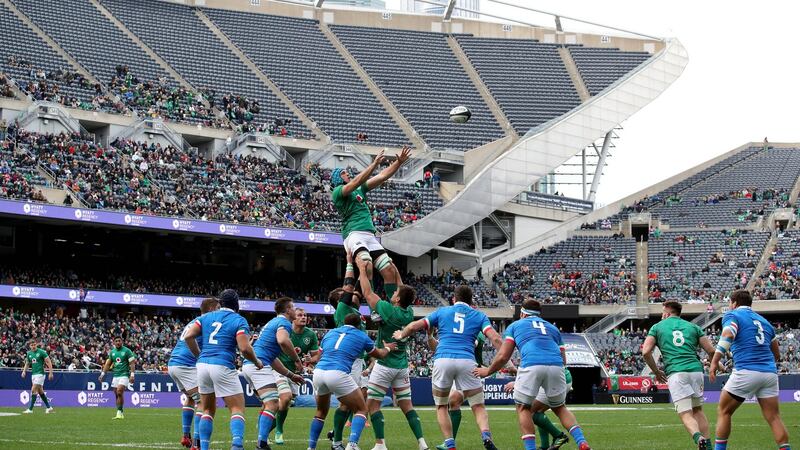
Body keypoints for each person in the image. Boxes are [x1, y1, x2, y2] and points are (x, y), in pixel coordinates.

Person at [394, 285, 503, 450]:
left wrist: (401, 335)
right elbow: (495, 338)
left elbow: (413, 326)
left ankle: (450, 444)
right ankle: (485, 434)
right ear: (471, 300)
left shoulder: (442, 312)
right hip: (467, 361)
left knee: (441, 406)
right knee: (478, 405)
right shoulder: (479, 316)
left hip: (443, 359)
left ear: (454, 299)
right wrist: (504, 355)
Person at [475, 299, 591, 450]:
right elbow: (563, 359)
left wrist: (488, 370)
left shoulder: (515, 325)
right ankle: (582, 442)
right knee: (560, 408)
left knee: (524, 408)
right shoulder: (552, 328)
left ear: (522, 313)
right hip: (557, 366)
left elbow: (503, 356)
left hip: (532, 364)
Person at [355, 257, 428, 450]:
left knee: (372, 406)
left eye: (395, 293)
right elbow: (403, 289)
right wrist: (395, 270)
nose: (394, 292)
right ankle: (422, 443)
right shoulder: (409, 313)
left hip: (385, 364)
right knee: (407, 407)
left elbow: (367, 292)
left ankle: (380, 444)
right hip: (402, 366)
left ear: (396, 299)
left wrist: (362, 270)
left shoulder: (388, 310)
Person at [709, 290, 791, 450]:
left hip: (746, 370)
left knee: (724, 411)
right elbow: (777, 353)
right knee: (774, 417)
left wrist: (714, 361)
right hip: (769, 373)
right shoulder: (764, 322)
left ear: (733, 303)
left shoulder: (733, 315)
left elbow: (727, 335)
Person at [182, 289, 264, 450]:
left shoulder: (205, 317)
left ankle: (204, 448)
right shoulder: (239, 320)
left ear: (221, 303)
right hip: (223, 364)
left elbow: (188, 336)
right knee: (237, 408)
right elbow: (244, 349)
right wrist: (256, 361)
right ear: (236, 304)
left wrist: (199, 355)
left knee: (207, 409)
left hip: (203, 365)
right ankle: (237, 446)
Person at [330, 146, 411, 303]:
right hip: (353, 234)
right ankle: (373, 305)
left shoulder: (359, 190)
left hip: (369, 235)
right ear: (337, 179)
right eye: (343, 173)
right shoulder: (338, 191)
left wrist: (398, 163)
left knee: (388, 269)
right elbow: (356, 181)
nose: (347, 173)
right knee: (366, 263)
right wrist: (373, 164)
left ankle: (394, 305)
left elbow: (381, 176)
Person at [307, 313, 397, 450]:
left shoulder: (330, 333)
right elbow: (379, 355)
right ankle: (352, 445)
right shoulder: (361, 336)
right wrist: (389, 347)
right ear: (359, 325)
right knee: (362, 409)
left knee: (320, 412)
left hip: (319, 372)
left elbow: (318, 357)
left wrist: (307, 361)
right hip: (338, 373)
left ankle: (312, 447)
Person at [642, 301, 716, 450]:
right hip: (696, 371)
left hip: (677, 372)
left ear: (668, 313)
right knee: (698, 410)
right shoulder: (693, 327)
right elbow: (712, 351)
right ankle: (708, 446)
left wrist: (656, 371)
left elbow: (645, 352)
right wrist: (713, 365)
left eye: (663, 312)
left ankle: (698, 437)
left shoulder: (657, 327)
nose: (662, 315)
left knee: (685, 413)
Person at [241, 297, 305, 450]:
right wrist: (296, 359)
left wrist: (291, 375)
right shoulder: (284, 323)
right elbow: (283, 340)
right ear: (288, 310)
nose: (296, 310)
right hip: (258, 366)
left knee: (269, 403)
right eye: (293, 307)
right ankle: (262, 443)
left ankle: (262, 439)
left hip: (251, 366)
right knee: (273, 404)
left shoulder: (273, 322)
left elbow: (273, 359)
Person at [168, 297, 220, 449]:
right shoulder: (208, 322)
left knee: (190, 398)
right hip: (186, 365)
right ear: (211, 309)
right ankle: (197, 444)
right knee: (204, 403)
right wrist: (201, 357)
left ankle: (186, 436)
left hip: (174, 364)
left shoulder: (195, 321)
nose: (219, 311)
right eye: (218, 308)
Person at [273, 307, 321, 445]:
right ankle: (279, 431)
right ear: (294, 318)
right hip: (279, 369)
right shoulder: (284, 330)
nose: (304, 317)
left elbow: (316, 356)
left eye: (305, 315)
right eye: (300, 315)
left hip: (296, 374)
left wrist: (309, 360)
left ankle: (265, 427)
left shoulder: (310, 334)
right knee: (285, 398)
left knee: (285, 404)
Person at [502, 367, 573, 450]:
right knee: (538, 411)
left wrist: (517, 383)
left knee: (529, 412)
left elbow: (536, 368)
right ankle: (545, 446)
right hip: (559, 377)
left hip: (555, 379)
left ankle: (559, 436)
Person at [99, 335, 137, 420]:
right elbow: (108, 364)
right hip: (116, 375)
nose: (118, 342)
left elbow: (132, 363)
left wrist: (132, 375)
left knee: (119, 391)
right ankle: (120, 411)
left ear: (122, 341)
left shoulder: (127, 351)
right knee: (116, 394)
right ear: (114, 342)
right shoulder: (112, 352)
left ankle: (119, 413)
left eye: (119, 341)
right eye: (116, 341)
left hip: (124, 374)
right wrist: (102, 374)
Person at [21, 339, 54, 414]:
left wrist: (51, 373)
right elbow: (27, 363)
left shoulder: (42, 352)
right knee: (40, 391)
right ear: (29, 346)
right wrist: (24, 371)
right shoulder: (29, 353)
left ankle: (30, 409)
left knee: (33, 389)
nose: (33, 346)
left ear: (36, 344)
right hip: (34, 374)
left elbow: (49, 362)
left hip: (40, 374)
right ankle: (49, 407)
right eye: (32, 345)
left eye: (34, 344)